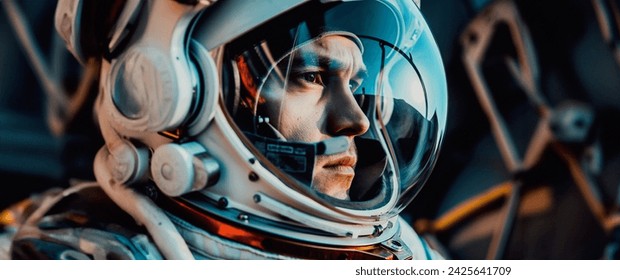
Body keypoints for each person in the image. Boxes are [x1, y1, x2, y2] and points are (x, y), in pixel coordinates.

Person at [0, 0, 448, 260]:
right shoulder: (88, 257)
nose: (357, 120)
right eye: (311, 76)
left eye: (354, 84)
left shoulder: (409, 252)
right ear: (170, 93)